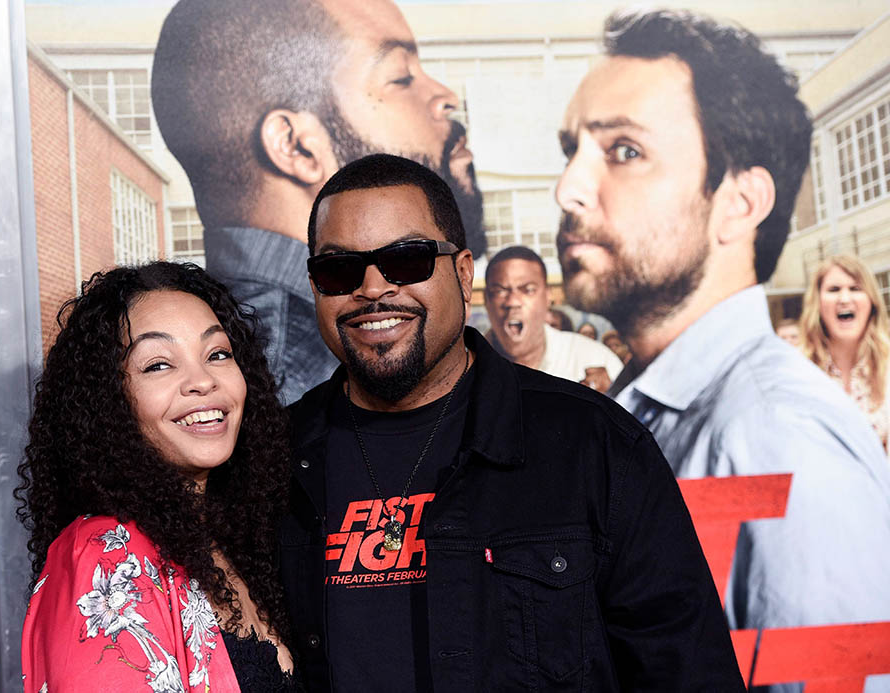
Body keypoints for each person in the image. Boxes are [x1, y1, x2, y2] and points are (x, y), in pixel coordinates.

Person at [280, 153, 743, 691]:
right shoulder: (273, 459)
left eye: (407, 260)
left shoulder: (594, 444)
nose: (373, 288)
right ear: (315, 286)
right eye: (339, 269)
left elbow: (688, 673)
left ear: (463, 273)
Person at [555, 7, 890, 683]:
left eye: (625, 151)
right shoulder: (646, 406)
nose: (569, 190)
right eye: (572, 151)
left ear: (740, 202)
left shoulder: (780, 437)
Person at [151, 0, 486, 404]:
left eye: (409, 257)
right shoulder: (289, 374)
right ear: (297, 146)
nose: (446, 96)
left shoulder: (247, 340)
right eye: (400, 77)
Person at [17, 262, 299, 692]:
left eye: (217, 354)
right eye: (159, 365)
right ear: (108, 401)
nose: (202, 381)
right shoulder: (105, 554)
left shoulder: (232, 542)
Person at [483, 245, 622, 390]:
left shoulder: (592, 358)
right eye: (499, 291)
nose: (513, 302)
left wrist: (608, 398)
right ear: (486, 299)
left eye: (528, 290)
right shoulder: (468, 369)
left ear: (548, 296)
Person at [801, 255, 890, 453]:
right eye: (834, 290)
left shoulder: (887, 367)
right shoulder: (799, 371)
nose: (844, 299)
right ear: (817, 303)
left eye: (855, 288)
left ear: (872, 301)